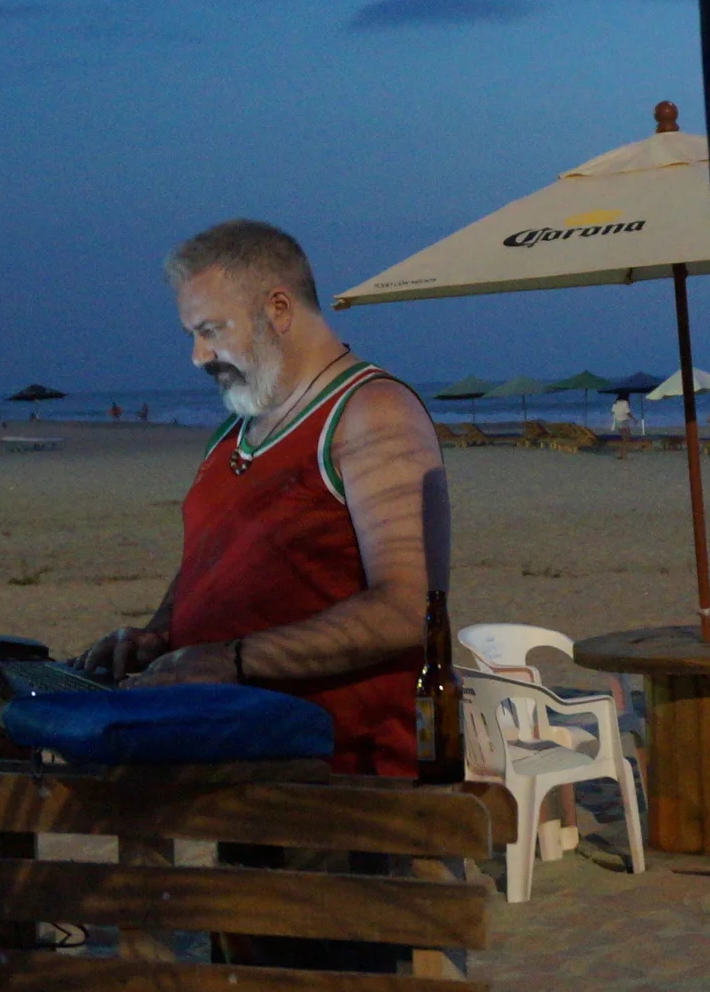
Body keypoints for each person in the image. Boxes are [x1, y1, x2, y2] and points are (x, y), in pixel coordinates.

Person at [76, 218, 443, 776]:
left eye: (212, 329)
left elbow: (404, 612)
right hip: (239, 752)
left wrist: (232, 659)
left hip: (344, 774)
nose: (198, 356)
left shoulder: (370, 413)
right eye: (191, 335)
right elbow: (217, 561)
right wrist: (158, 635)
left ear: (278, 309)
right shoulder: (239, 427)